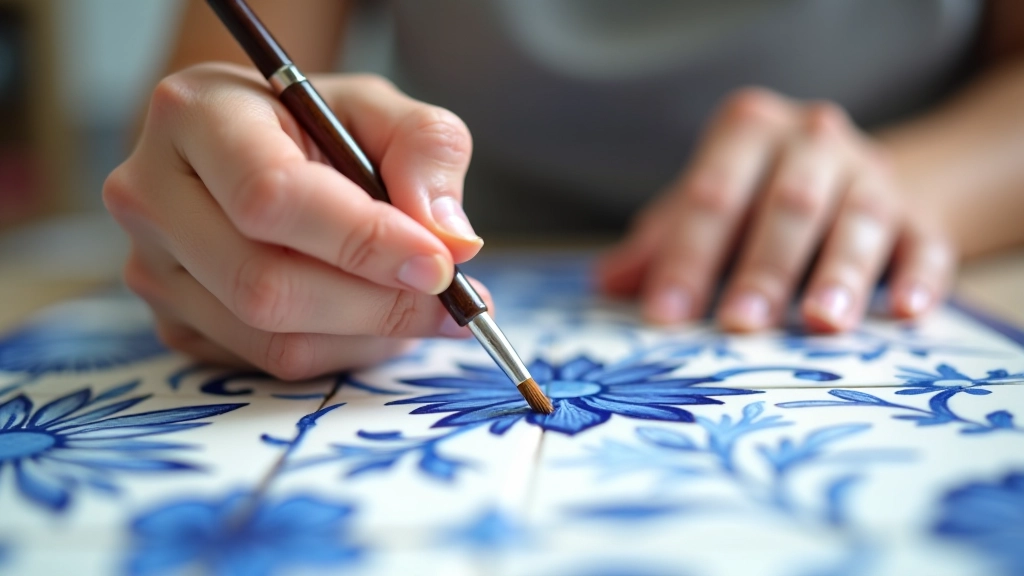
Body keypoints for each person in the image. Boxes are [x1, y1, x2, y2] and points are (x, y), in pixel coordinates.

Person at [103, 0, 1024, 380]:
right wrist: (233, 192)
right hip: (429, 276)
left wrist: (915, 182)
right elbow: (226, 90)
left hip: (888, 274)